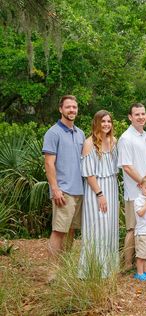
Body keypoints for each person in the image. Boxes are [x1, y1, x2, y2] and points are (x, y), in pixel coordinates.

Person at [118, 103, 146, 271]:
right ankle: (128, 265)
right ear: (130, 117)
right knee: (133, 228)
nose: (141, 117)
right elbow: (127, 166)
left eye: (143, 113)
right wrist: (144, 183)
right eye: (137, 114)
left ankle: (144, 265)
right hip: (135, 192)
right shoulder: (126, 138)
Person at [42, 95, 85, 259]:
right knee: (59, 230)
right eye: (68, 107)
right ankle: (52, 272)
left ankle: (64, 270)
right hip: (63, 191)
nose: (72, 110)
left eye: (74, 107)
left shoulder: (80, 133)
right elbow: (49, 163)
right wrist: (55, 189)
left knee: (71, 231)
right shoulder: (53, 133)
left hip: (78, 190)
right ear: (61, 109)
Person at [78, 110, 119, 278]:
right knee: (97, 226)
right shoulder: (89, 143)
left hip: (112, 186)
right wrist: (100, 194)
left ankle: (108, 268)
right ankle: (92, 269)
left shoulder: (113, 141)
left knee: (110, 227)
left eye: (109, 121)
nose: (106, 124)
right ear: (96, 123)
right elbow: (89, 174)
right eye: (103, 121)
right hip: (96, 189)